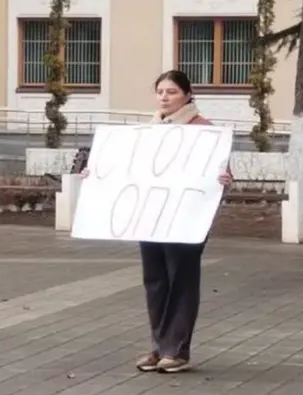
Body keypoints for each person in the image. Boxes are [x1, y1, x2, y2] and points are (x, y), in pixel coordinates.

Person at [82, 69, 232, 373]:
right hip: (150, 216)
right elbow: (125, 171)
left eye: (172, 92)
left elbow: (220, 174)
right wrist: (96, 176)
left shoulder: (204, 131)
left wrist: (224, 179)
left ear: (188, 95)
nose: (164, 97)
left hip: (186, 219)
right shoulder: (148, 132)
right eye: (160, 91)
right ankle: (159, 345)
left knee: (181, 280)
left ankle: (176, 350)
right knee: (155, 280)